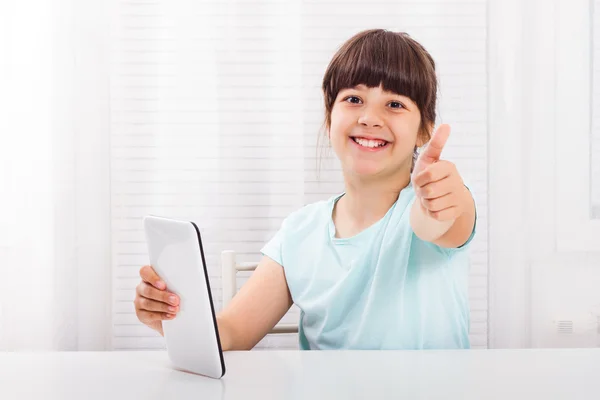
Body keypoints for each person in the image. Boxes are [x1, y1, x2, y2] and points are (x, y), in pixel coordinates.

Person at [134, 29, 477, 351]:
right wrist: (171, 317)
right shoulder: (300, 231)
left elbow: (436, 222)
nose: (371, 118)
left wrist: (439, 202)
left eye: (395, 104)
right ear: (330, 120)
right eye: (354, 99)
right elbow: (232, 333)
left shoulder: (441, 201)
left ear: (424, 131)